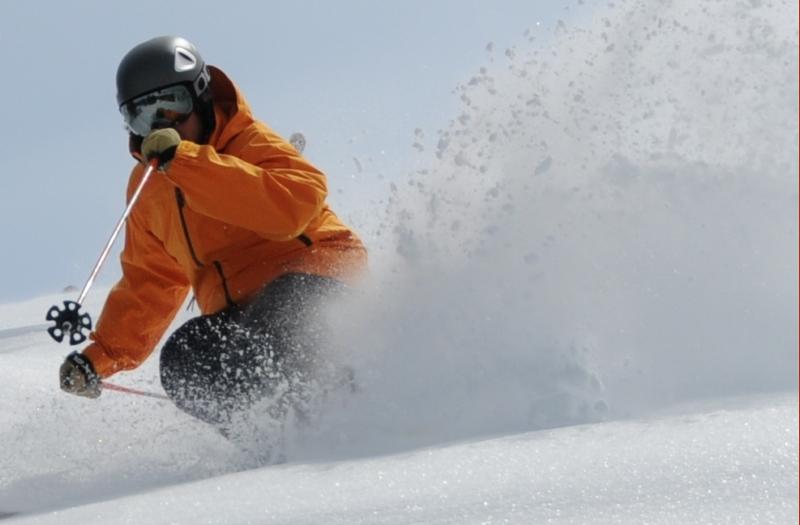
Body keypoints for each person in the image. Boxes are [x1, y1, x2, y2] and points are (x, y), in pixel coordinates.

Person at [59, 36, 367, 441]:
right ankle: (273, 442)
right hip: (241, 312)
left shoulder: (249, 142)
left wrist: (188, 163)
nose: (161, 127)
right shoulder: (149, 188)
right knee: (185, 358)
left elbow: (292, 207)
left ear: (200, 97)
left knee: (280, 318)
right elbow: (150, 282)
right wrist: (100, 358)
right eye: (143, 117)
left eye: (171, 107)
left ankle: (354, 403)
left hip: (318, 278)